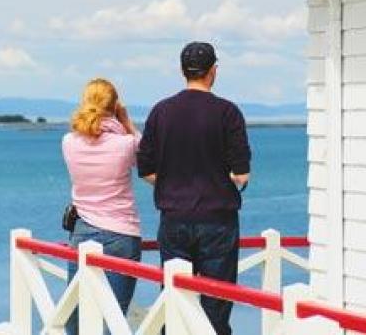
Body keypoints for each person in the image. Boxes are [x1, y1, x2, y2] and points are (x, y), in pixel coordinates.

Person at [137, 42, 251, 335]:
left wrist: (170, 181)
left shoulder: (161, 112)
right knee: (217, 304)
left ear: (182, 71)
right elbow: (242, 174)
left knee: (173, 301)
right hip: (218, 220)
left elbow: (145, 169)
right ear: (213, 71)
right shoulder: (228, 113)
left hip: (174, 217)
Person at [62, 78, 142, 335]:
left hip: (82, 232)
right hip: (121, 233)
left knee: (77, 318)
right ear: (115, 106)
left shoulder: (69, 142)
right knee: (113, 320)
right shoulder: (126, 143)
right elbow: (146, 157)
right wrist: (127, 122)